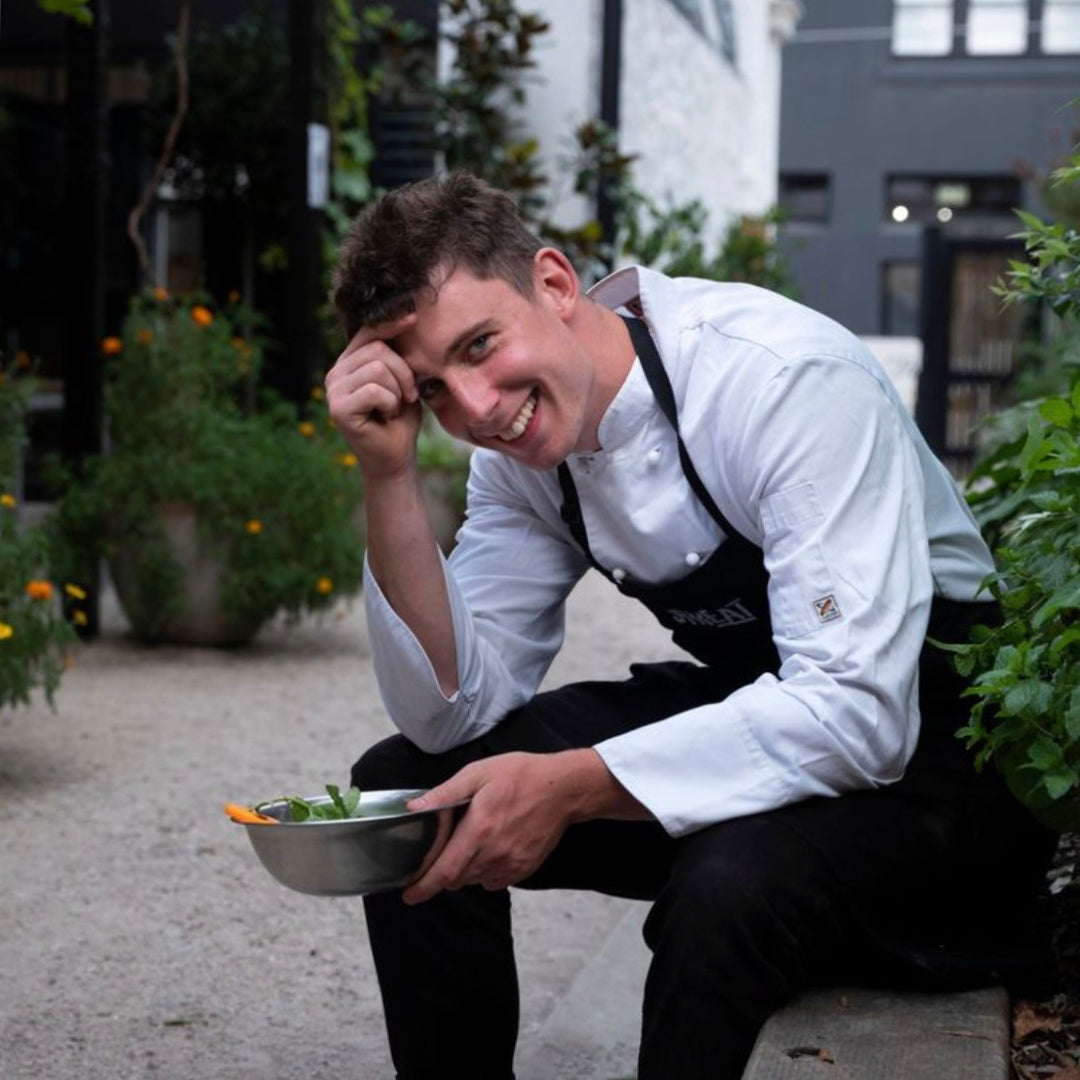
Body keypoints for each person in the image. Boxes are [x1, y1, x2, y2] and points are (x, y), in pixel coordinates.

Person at [324, 171, 1055, 1080]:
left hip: (940, 765)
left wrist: (574, 783)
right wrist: (386, 475)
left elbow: (861, 713)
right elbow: (448, 714)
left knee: (724, 890)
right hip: (772, 709)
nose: (473, 409)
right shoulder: (518, 455)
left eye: (480, 345)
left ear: (554, 284)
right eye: (432, 389)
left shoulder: (778, 379)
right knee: (412, 791)